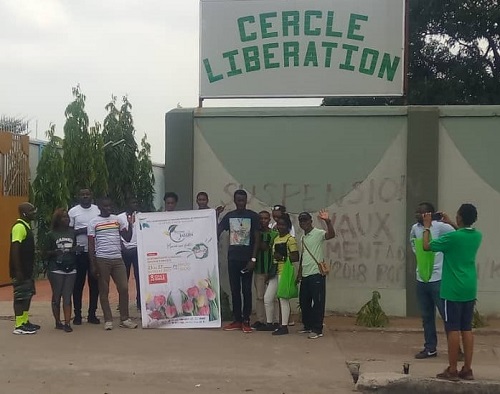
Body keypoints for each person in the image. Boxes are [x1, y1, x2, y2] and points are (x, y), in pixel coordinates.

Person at [422, 204, 482, 381]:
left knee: (453, 328)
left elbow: (426, 246)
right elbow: (462, 235)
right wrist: (452, 224)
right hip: (470, 286)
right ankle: (468, 369)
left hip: (453, 289)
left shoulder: (451, 238)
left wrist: (427, 226)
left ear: (460, 218)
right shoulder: (477, 236)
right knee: (467, 328)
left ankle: (453, 369)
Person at [410, 202, 455, 359]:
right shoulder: (415, 228)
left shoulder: (439, 227)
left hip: (438, 279)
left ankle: (456, 349)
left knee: (446, 315)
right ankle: (430, 347)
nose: (417, 215)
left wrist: (449, 222)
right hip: (422, 278)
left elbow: (458, 233)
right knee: (426, 316)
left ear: (428, 214)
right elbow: (415, 245)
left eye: (421, 213)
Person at [88, 197, 138, 330]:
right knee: (104, 290)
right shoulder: (93, 223)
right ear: (99, 207)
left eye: (110, 206)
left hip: (118, 259)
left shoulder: (117, 219)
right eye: (105, 206)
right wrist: (93, 264)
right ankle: (108, 319)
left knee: (124, 288)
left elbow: (126, 238)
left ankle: (125, 318)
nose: (108, 208)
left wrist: (131, 225)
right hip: (102, 259)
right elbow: (91, 245)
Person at [217, 189, 260, 333]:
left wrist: (253, 258)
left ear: (246, 200)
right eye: (238, 200)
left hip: (247, 259)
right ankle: (237, 320)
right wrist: (215, 215)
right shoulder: (229, 216)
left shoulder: (253, 216)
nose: (240, 203)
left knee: (246, 290)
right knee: (235, 290)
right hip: (233, 258)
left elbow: (257, 238)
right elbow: (218, 230)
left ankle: (246, 320)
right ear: (235, 201)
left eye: (243, 200)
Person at [297, 210, 335, 339]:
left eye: (306, 220)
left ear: (310, 221)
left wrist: (328, 221)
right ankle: (307, 325)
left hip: (316, 274)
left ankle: (317, 329)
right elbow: (304, 255)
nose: (304, 223)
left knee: (318, 302)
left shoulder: (318, 233)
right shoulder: (302, 237)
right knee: (304, 302)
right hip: (306, 274)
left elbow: (331, 235)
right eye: (301, 221)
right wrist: (299, 273)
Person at [262, 214, 299, 335]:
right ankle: (270, 323)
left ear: (288, 226)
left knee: (283, 299)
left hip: (284, 271)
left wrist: (283, 257)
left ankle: (284, 326)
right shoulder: (276, 239)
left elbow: (295, 257)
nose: (280, 227)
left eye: (283, 225)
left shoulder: (290, 239)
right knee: (268, 298)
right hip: (275, 271)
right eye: (279, 224)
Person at [44, 208, 79, 333]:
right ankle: (58, 321)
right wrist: (54, 252)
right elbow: (44, 253)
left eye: (68, 217)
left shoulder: (72, 233)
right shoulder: (51, 234)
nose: (67, 219)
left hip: (71, 267)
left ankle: (67, 323)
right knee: (57, 296)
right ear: (58, 219)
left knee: (67, 296)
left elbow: (75, 247)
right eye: (64, 217)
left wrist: (76, 250)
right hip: (56, 268)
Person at [69, 188, 100, 325]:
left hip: (95, 253)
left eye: (87, 194)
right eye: (82, 195)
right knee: (78, 285)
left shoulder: (97, 210)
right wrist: (82, 231)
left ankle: (92, 314)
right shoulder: (73, 212)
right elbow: (70, 233)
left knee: (94, 285)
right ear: (78, 196)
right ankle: (77, 315)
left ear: (91, 196)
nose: (85, 196)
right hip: (79, 253)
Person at [10, 202, 40, 335]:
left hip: (27, 270)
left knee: (27, 295)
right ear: (24, 213)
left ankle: (25, 321)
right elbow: (15, 250)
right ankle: (19, 325)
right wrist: (18, 270)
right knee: (20, 297)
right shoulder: (19, 227)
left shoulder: (26, 227)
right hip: (20, 271)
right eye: (31, 210)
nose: (34, 212)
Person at [252, 210, 278, 330]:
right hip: (259, 269)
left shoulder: (274, 234)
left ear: (269, 220)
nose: (263, 221)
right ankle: (260, 320)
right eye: (261, 218)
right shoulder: (255, 233)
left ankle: (275, 320)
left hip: (271, 269)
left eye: (266, 218)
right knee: (259, 296)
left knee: (274, 296)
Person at [118, 197, 141, 312]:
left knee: (139, 277)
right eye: (133, 201)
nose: (135, 204)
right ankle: (122, 303)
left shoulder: (142, 216)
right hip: (125, 251)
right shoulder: (120, 217)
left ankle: (140, 303)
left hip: (138, 250)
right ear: (127, 203)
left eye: (136, 202)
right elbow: (117, 235)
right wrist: (122, 248)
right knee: (123, 278)